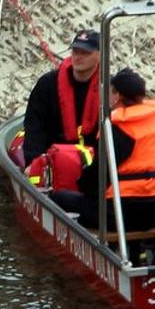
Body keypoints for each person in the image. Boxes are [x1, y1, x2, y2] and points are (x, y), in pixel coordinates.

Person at [73, 69, 155, 239]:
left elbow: (97, 178)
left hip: (119, 215)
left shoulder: (117, 129)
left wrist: (81, 183)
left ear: (117, 96)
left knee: (60, 197)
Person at [20, 30, 102, 194]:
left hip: (94, 162)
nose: (78, 57)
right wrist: (33, 162)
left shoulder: (108, 88)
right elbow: (34, 125)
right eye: (75, 51)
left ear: (100, 55)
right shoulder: (47, 84)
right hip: (54, 157)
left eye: (85, 53)